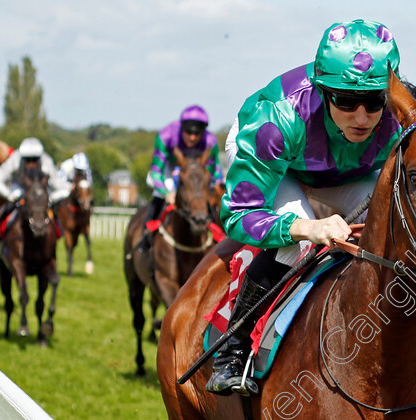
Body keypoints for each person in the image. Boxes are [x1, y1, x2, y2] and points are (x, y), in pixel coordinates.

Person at [206, 19, 402, 396]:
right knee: (300, 242)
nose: (361, 117)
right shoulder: (278, 119)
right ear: (324, 90)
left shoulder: (397, 117)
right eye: (345, 101)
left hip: (344, 171)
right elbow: (237, 215)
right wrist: (307, 228)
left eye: (374, 102)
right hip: (281, 167)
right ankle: (232, 349)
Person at [144, 105, 221, 226]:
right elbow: (156, 172)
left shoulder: (210, 142)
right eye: (189, 131)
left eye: (197, 133)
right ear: (182, 128)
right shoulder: (165, 136)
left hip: (196, 171)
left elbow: (214, 173)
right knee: (163, 189)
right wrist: (166, 194)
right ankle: (145, 236)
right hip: (170, 166)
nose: (192, 137)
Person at [0, 137, 71, 227]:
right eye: (27, 160)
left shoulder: (46, 163)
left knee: (54, 216)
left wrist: (50, 198)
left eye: (35, 160)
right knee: (9, 208)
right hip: (19, 189)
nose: (31, 164)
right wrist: (9, 195)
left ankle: (58, 231)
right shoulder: (14, 160)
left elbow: (63, 188)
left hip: (41, 192)